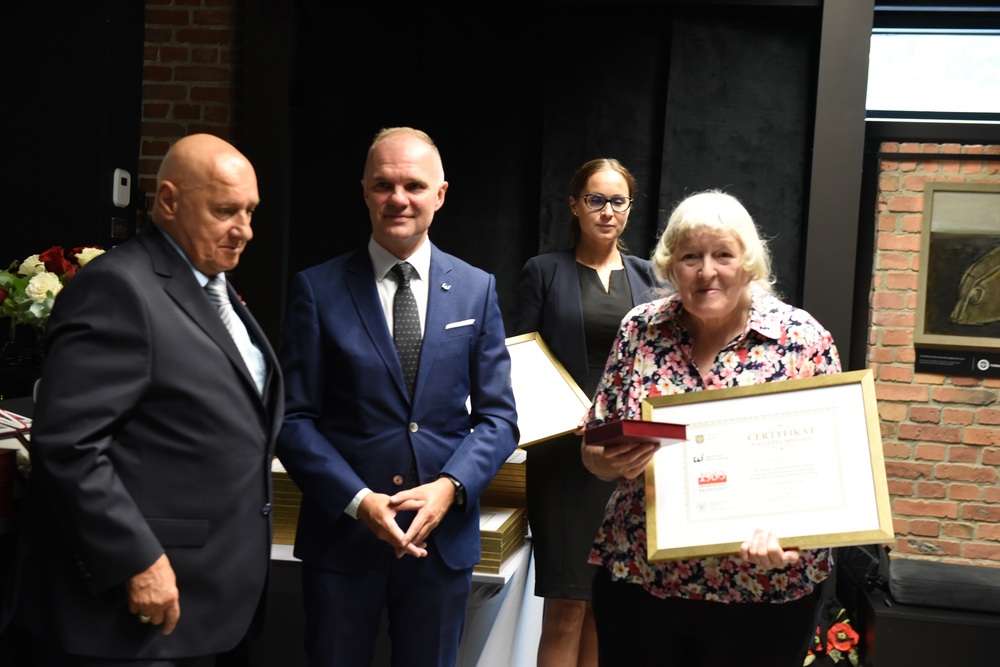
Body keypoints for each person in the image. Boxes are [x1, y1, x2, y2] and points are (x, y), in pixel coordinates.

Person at [5, 133, 284, 665]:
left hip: (207, 606)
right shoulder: (117, 287)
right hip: (128, 614)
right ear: (170, 201)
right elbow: (68, 445)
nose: (244, 230)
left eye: (250, 211)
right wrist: (136, 560)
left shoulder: (215, 287)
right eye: (226, 211)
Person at [276, 126, 519, 667]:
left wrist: (449, 489)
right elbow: (292, 419)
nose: (398, 199)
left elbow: (499, 419)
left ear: (441, 194)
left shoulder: (477, 289)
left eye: (413, 184)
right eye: (383, 185)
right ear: (364, 190)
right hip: (343, 540)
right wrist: (359, 501)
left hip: (440, 541)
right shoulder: (317, 289)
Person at [580, 189, 841, 666]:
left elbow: (833, 467)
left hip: (762, 590)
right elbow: (594, 444)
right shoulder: (640, 330)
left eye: (723, 254)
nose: (706, 272)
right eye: (690, 257)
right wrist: (605, 459)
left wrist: (792, 533)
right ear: (669, 265)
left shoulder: (801, 340)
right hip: (643, 581)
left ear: (749, 261)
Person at [514, 158, 659, 667]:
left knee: (607, 605)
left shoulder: (650, 276)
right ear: (575, 206)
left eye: (617, 201)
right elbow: (522, 359)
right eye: (595, 200)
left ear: (629, 208)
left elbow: (661, 363)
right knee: (567, 606)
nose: (606, 211)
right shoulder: (544, 271)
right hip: (563, 457)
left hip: (627, 456)